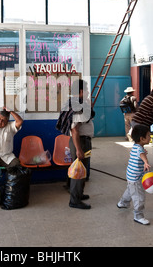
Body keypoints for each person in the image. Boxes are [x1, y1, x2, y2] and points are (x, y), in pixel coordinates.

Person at [117, 124, 151, 225]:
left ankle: (123, 203)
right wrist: (145, 162)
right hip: (136, 177)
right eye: (148, 135)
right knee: (139, 197)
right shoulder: (140, 149)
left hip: (131, 175)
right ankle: (138, 216)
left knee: (130, 190)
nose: (150, 137)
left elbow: (140, 153)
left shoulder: (136, 146)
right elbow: (141, 154)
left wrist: (144, 156)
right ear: (142, 138)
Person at [68, 79, 94, 210]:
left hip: (82, 141)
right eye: (87, 90)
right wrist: (78, 149)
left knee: (82, 169)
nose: (88, 92)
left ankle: (79, 194)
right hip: (80, 142)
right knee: (78, 171)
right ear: (81, 91)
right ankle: (75, 200)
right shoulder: (79, 106)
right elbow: (75, 130)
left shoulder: (79, 104)